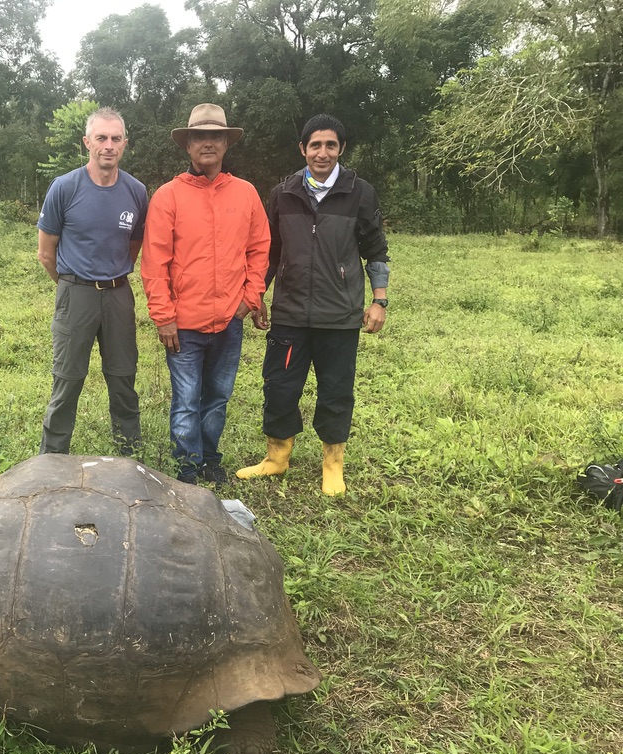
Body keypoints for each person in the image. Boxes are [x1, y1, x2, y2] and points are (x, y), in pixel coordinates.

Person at [236, 114, 390, 495]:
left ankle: (332, 464)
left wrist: (379, 300)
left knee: (337, 389)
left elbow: (376, 251)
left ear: (341, 149)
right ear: (303, 149)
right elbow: (268, 251)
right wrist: (257, 294)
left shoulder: (360, 192)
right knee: (279, 386)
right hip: (289, 313)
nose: (323, 153)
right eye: (315, 145)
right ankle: (276, 457)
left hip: (339, 315)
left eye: (331, 145)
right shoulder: (282, 193)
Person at [140, 104, 269, 485]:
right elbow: (154, 262)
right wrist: (163, 315)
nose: (208, 143)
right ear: (188, 144)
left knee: (217, 398)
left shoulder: (245, 194)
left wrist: (251, 299)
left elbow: (260, 248)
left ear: (226, 143)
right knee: (185, 401)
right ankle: (187, 468)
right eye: (200, 136)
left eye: (216, 136)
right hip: (184, 324)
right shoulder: (168, 196)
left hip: (230, 319)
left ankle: (211, 458)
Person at [36, 107, 149, 455]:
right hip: (76, 293)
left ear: (125, 144)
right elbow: (46, 253)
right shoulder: (64, 188)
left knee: (122, 378)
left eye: (116, 138)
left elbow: (133, 246)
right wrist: (73, 285)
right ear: (87, 142)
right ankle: (52, 459)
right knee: (67, 380)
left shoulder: (136, 191)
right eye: (101, 138)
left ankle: (130, 456)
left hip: (118, 295)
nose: (109, 145)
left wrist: (110, 278)